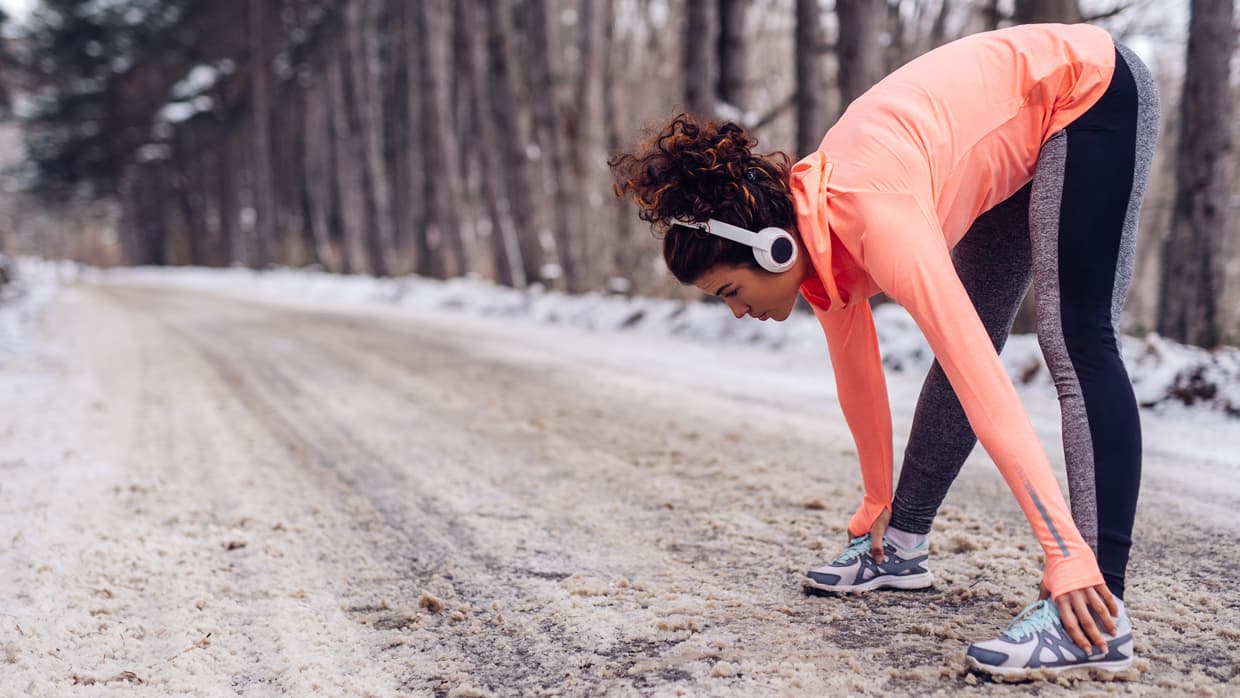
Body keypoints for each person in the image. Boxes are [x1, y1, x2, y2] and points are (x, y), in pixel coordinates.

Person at [608, 22, 1157, 678]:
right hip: (1022, 132)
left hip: (1088, 93)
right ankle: (898, 549)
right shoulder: (817, 236)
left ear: (771, 248)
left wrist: (1062, 550)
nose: (735, 310)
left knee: (1074, 338)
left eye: (729, 289)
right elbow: (859, 381)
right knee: (970, 333)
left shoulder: (873, 212)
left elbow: (983, 380)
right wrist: (875, 503)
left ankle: (1097, 610)